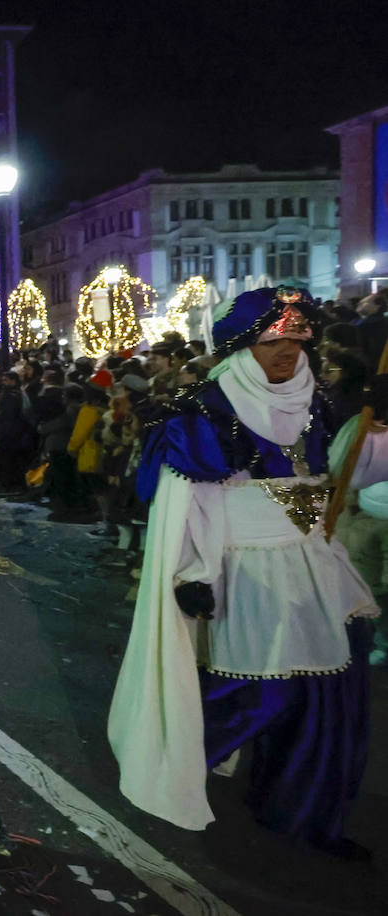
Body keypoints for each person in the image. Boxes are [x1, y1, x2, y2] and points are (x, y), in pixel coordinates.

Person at [110, 286, 388, 860]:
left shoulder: (322, 402)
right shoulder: (205, 413)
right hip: (247, 569)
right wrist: (192, 572)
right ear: (242, 347)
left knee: (331, 701)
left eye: (297, 339)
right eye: (272, 340)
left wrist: (377, 432)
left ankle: (305, 816)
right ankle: (177, 754)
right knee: (258, 696)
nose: (288, 351)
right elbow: (190, 505)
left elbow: (339, 479)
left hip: (319, 568)